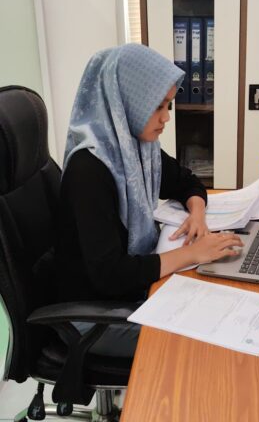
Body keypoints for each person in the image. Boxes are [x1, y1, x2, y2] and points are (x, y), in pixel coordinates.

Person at [56, 43, 242, 357]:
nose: (166, 117)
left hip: (130, 292)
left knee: (220, 302)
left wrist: (197, 213)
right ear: (127, 101)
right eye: (158, 107)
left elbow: (187, 182)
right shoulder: (88, 171)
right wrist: (193, 253)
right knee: (205, 344)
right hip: (95, 314)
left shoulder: (137, 147)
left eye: (169, 105)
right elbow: (110, 275)